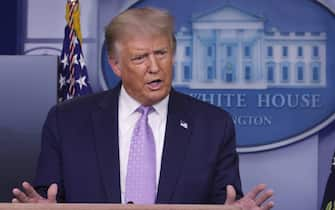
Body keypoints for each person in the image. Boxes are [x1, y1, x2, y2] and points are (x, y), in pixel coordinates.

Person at [12, 7, 274, 209]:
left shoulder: (213, 125)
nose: (154, 67)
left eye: (161, 53)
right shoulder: (67, 121)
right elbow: (49, 197)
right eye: (139, 57)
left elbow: (225, 200)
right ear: (115, 65)